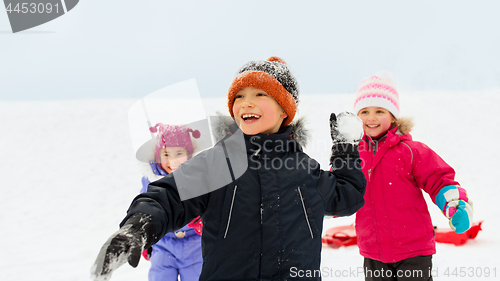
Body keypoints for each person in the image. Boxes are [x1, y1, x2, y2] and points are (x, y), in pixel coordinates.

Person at [91, 56, 367, 281]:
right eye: (239, 96)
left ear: (285, 109)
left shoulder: (304, 171)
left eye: (260, 94)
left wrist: (346, 149)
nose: (246, 102)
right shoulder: (218, 163)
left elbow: (347, 196)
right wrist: (138, 226)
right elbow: (169, 196)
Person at [353, 72, 474, 281]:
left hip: (413, 250)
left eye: (379, 111)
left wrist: (454, 204)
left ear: (393, 117)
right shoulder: (353, 155)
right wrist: (321, 203)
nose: (371, 118)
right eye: (364, 111)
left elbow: (438, 179)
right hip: (373, 251)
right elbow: (342, 188)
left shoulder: (410, 151)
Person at [139, 123, 203, 281]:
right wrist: (144, 238)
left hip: (194, 243)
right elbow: (145, 207)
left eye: (179, 153)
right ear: (157, 156)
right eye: (166, 154)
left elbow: (208, 205)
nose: (173, 160)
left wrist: (204, 222)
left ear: (189, 154)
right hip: (163, 244)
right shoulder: (151, 181)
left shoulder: (198, 178)